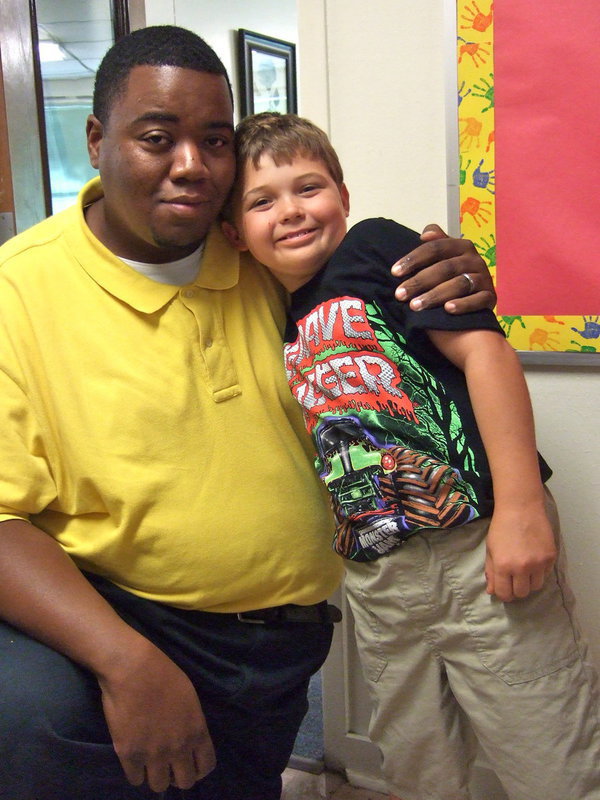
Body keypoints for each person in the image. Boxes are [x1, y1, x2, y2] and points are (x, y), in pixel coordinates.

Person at [0, 26, 497, 800]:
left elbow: (393, 311)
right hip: (119, 629)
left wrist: (447, 272)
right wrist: (125, 661)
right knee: (31, 713)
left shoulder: (265, 252)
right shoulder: (18, 291)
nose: (191, 165)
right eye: (157, 137)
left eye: (214, 140)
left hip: (277, 647)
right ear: (97, 139)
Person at [222, 111, 600, 800]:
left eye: (308, 187)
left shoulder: (375, 249)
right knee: (417, 764)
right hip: (380, 575)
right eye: (262, 201)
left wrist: (519, 506)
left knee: (548, 753)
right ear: (234, 235)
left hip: (476, 550)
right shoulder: (273, 317)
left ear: (343, 193)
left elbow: (485, 354)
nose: (291, 211)